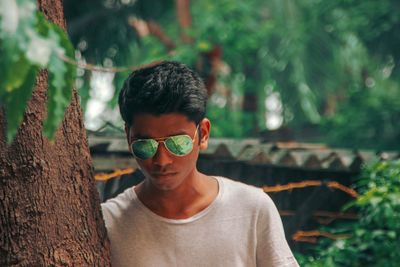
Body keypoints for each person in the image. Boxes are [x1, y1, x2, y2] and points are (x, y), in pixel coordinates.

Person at [101, 61, 299, 267]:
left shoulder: (252, 209)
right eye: (145, 145)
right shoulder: (110, 224)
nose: (162, 160)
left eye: (178, 143)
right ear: (128, 136)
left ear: (202, 134)